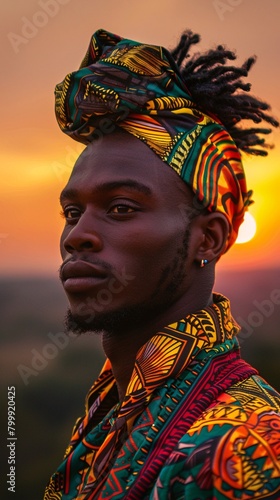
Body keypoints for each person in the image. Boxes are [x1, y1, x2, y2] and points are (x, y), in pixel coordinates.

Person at [44, 29, 280, 499]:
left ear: (207, 238)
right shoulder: (113, 406)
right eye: (73, 213)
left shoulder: (245, 446)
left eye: (121, 208)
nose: (77, 236)